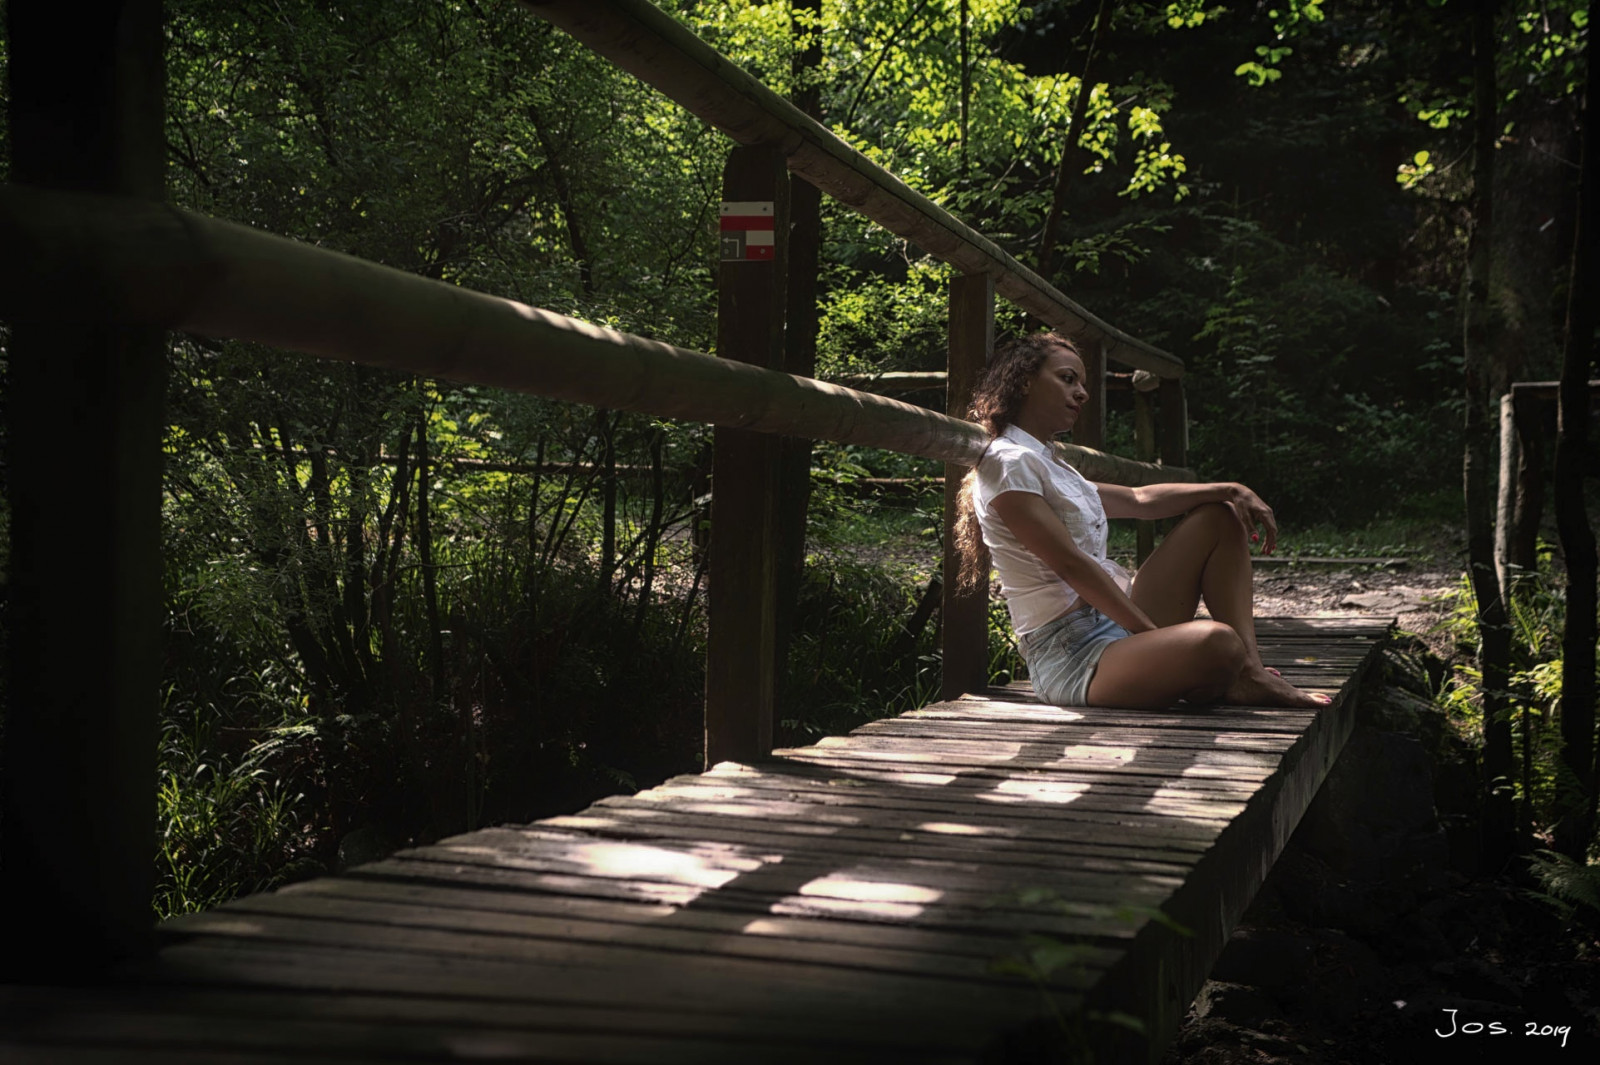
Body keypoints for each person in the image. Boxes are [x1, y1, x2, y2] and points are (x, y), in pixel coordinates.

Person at [955, 331, 1330, 710]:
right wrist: (1154, 639)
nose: (1082, 393)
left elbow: (1139, 499)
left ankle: (1250, 672)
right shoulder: (1009, 463)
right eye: (1068, 379)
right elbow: (1071, 565)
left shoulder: (1049, 462)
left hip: (1113, 626)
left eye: (1082, 383)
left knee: (1220, 517)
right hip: (1072, 656)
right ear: (1024, 381)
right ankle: (1216, 668)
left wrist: (1229, 488)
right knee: (1216, 642)